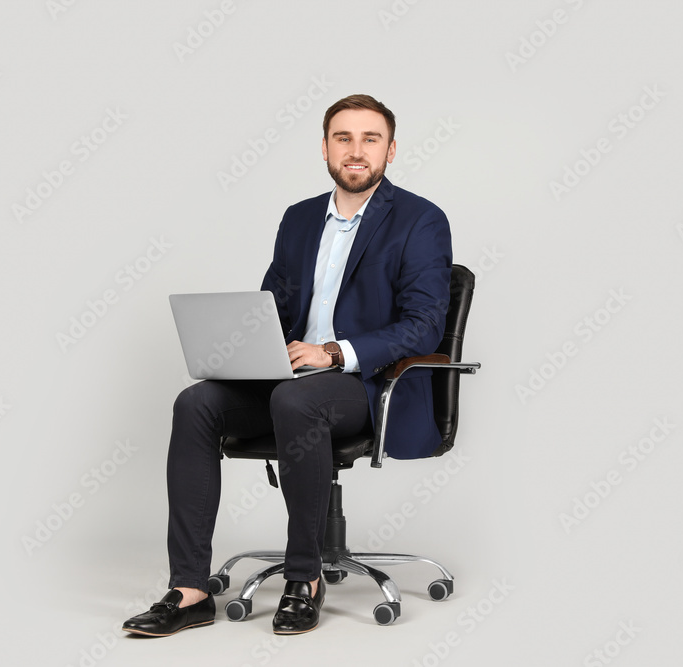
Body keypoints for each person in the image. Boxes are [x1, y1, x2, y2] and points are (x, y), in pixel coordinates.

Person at [122, 94, 453, 637]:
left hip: (363, 386)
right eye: (343, 138)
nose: (355, 150)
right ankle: (189, 590)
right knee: (197, 402)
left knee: (294, 399)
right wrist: (239, 344)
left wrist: (332, 353)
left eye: (370, 139)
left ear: (391, 150)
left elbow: (423, 326)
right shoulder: (298, 219)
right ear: (324, 147)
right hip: (289, 379)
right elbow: (272, 308)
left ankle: (306, 579)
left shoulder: (420, 220)